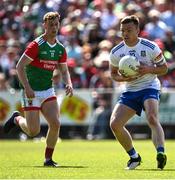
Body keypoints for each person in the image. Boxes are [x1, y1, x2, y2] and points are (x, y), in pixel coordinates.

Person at [3, 12, 73, 167]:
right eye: (51, 25)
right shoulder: (36, 45)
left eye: (56, 24)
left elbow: (64, 70)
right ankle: (17, 119)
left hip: (48, 90)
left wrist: (68, 83)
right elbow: (20, 66)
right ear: (44, 26)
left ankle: (48, 159)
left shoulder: (60, 49)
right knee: (33, 131)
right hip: (31, 91)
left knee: (55, 123)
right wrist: (27, 87)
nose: (54, 28)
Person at [109, 15, 168, 170]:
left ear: (138, 30)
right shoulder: (116, 52)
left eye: (129, 30)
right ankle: (134, 157)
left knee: (152, 118)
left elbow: (164, 68)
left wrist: (148, 69)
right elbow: (113, 75)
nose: (125, 34)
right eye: (123, 31)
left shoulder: (150, 47)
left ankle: (160, 153)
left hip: (150, 86)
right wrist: (125, 78)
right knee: (115, 124)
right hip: (130, 90)